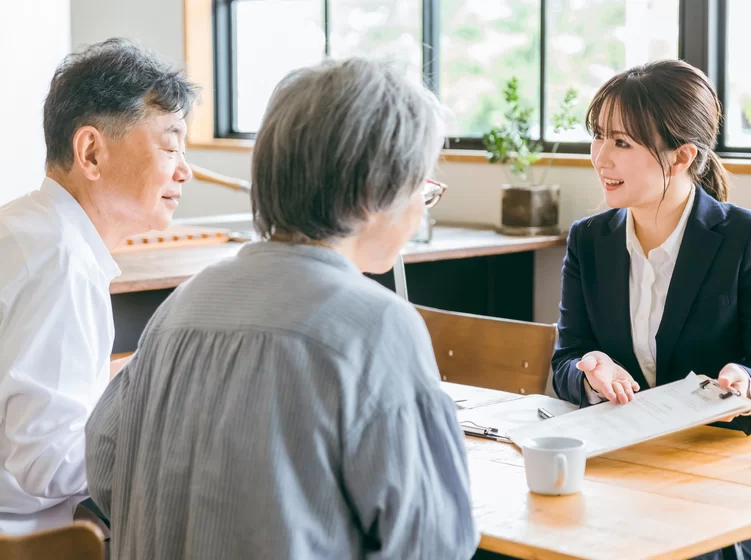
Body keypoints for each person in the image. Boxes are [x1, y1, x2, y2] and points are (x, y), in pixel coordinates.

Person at [85, 57, 478, 559]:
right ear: (375, 191)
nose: (424, 204)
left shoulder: (182, 305)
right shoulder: (377, 326)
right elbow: (433, 544)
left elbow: (104, 468)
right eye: (422, 185)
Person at [551, 60, 751, 559]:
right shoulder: (589, 241)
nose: (599, 158)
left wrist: (746, 382)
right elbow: (566, 360)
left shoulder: (749, 238)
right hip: (642, 472)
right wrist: (590, 373)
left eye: (622, 143)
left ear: (681, 157)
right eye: (598, 137)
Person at [0, 38, 197, 535]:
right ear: (90, 152)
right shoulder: (63, 262)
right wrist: (171, 438)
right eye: (170, 145)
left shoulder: (26, 226)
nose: (184, 170)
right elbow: (46, 462)